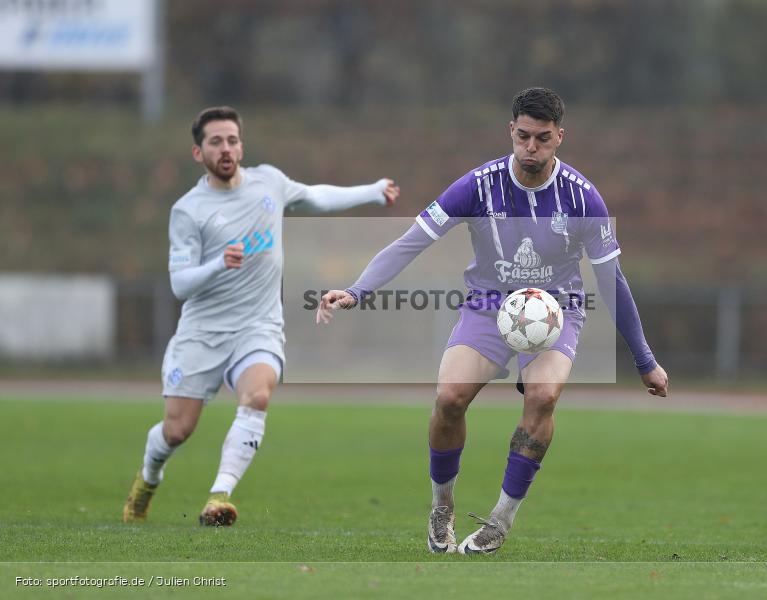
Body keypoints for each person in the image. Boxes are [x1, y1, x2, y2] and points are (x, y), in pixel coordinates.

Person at [317, 87, 668, 555]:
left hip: (555, 310)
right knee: (449, 399)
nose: (531, 148)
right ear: (511, 131)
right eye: (523, 136)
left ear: (560, 137)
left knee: (542, 398)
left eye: (542, 139)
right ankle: (443, 506)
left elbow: (611, 281)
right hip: (487, 305)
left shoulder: (584, 199)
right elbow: (410, 242)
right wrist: (357, 290)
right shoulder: (476, 186)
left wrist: (644, 359)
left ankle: (500, 520)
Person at [122, 106, 400, 526]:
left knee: (258, 396)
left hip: (258, 327)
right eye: (215, 142)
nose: (226, 148)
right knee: (176, 431)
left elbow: (316, 196)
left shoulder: (268, 180)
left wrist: (372, 191)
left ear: (241, 145)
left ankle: (219, 496)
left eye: (232, 140)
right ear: (199, 153)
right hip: (202, 333)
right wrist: (218, 263)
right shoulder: (188, 210)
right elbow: (180, 285)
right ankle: (147, 479)